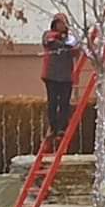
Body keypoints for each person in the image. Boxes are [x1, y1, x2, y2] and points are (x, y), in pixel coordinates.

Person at [40, 14, 78, 144]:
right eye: (59, 23)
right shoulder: (48, 35)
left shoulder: (71, 39)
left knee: (64, 104)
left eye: (64, 23)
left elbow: (75, 50)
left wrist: (69, 45)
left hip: (66, 77)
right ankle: (54, 128)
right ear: (54, 24)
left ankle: (62, 128)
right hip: (51, 76)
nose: (62, 26)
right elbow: (50, 42)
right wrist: (64, 44)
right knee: (52, 103)